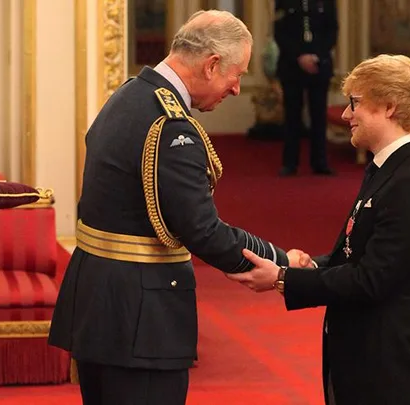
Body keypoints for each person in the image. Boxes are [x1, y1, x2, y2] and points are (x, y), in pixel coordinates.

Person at [48, 10, 302, 405]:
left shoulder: (130, 94)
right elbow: (201, 229)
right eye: (237, 75)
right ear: (212, 64)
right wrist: (280, 261)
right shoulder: (171, 126)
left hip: (98, 302)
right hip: (141, 317)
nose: (237, 88)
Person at [228, 54, 410, 405]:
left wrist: (283, 279)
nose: (346, 114)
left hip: (387, 369)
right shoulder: (390, 170)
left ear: (390, 106)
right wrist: (312, 266)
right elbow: (358, 254)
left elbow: (371, 280)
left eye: (355, 103)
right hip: (365, 359)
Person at [274, 0, 338, 176]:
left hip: (320, 64)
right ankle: (290, 163)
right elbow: (280, 32)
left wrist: (316, 56)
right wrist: (299, 57)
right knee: (292, 115)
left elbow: (332, 31)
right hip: (291, 66)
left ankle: (320, 162)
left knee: (318, 115)